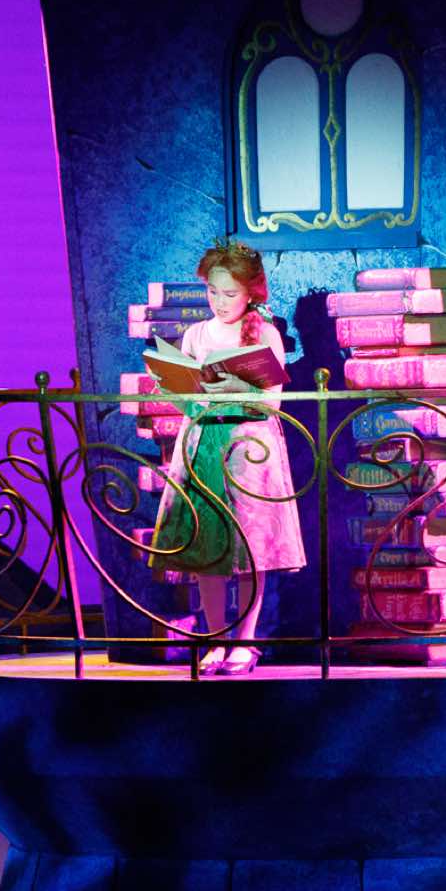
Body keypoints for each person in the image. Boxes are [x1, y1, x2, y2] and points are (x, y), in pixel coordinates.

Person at [149, 242, 306, 675]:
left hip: (247, 446)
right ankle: (215, 639)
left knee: (250, 548)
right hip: (203, 441)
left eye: (230, 294)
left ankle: (245, 641)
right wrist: (178, 386)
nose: (220, 302)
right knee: (208, 548)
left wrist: (236, 388)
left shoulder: (266, 334)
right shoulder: (196, 335)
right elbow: (185, 396)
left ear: (251, 292)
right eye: (213, 292)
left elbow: (272, 402)